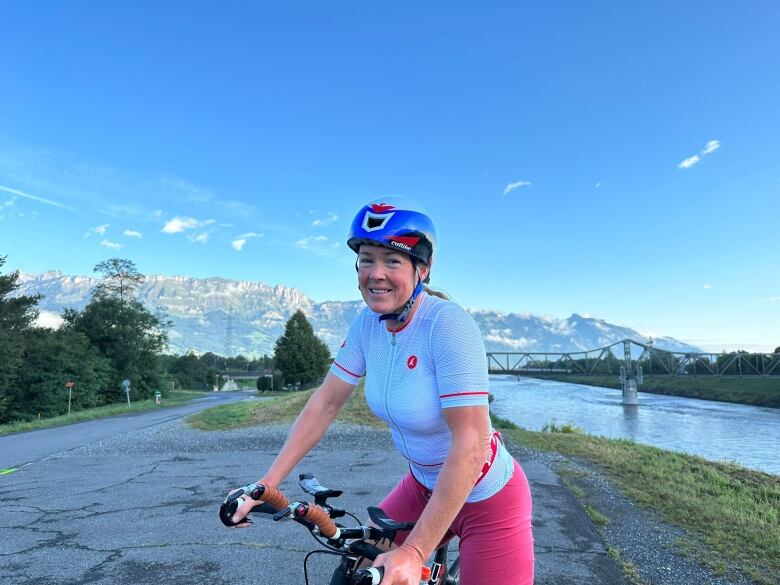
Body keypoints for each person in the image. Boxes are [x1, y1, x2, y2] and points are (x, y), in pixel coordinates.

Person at [228, 197, 534, 585]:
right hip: (422, 487)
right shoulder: (367, 326)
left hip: (488, 498)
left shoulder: (448, 326)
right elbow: (326, 402)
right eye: (367, 259)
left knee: (405, 565)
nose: (376, 274)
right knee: (361, 571)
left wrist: (414, 551)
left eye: (392, 261)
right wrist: (265, 485)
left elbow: (471, 444)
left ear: (422, 269)